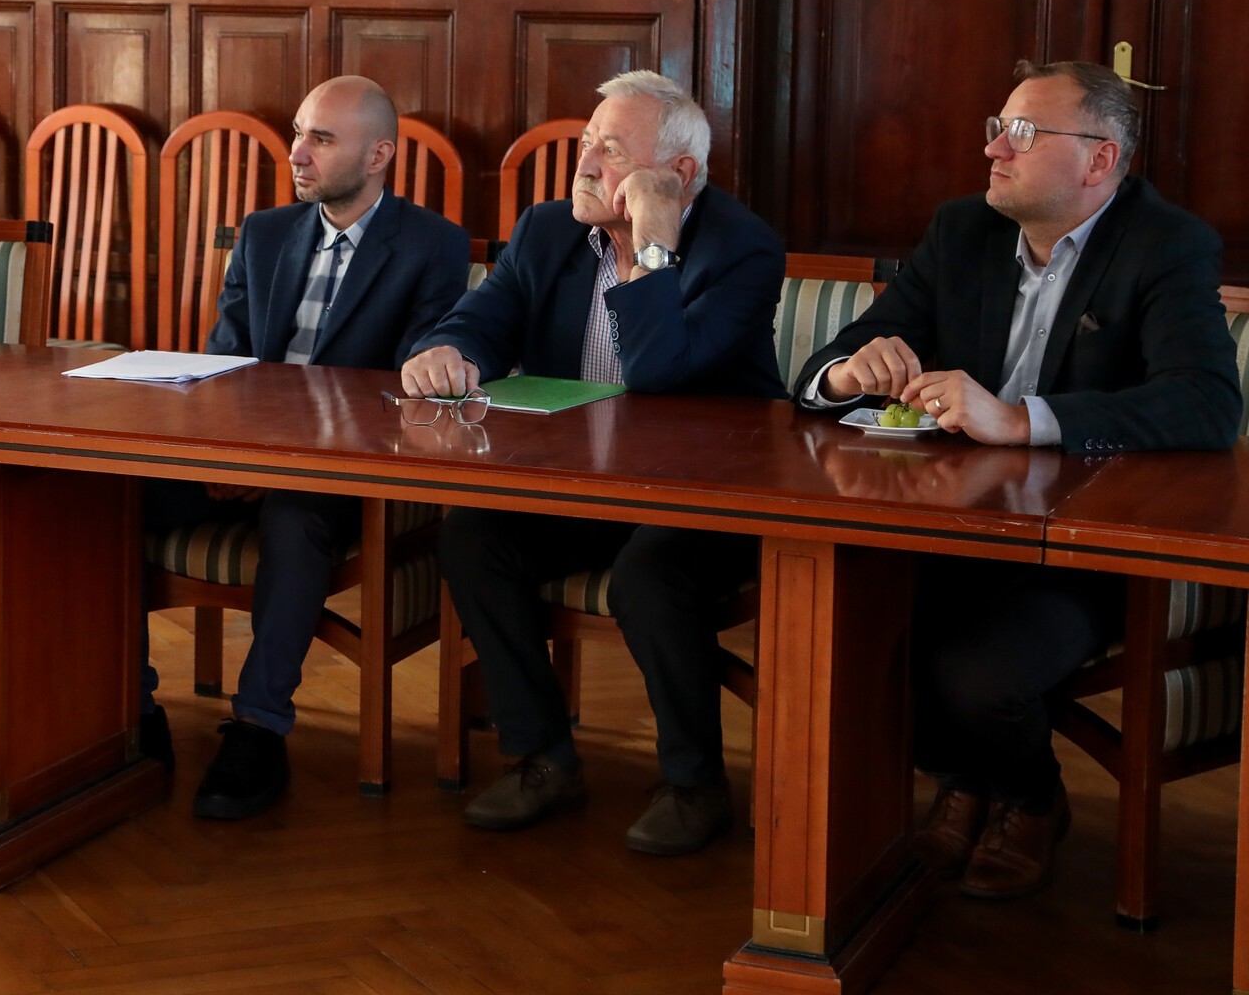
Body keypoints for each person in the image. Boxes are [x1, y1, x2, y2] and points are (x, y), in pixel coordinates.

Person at [795, 59, 1240, 899]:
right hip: (951, 522)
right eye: (997, 128)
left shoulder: (1164, 243)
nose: (995, 148)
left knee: (977, 674)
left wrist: (1023, 418)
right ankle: (965, 784)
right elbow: (833, 361)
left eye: (1024, 133)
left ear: (1100, 160)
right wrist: (850, 372)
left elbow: (1207, 401)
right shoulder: (962, 230)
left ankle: (1029, 799)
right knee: (854, 629)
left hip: (1083, 545)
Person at [402, 70, 784, 852]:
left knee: (650, 575)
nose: (582, 165)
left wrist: (652, 243)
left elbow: (658, 370)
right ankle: (542, 756)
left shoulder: (741, 247)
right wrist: (447, 349)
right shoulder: (546, 230)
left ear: (678, 174)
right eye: (585, 143)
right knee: (473, 536)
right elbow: (483, 319)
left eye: (610, 150)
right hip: (581, 486)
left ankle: (694, 784)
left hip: (708, 497)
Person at [144, 75, 469, 819]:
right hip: (242, 455)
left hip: (344, 475)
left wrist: (280, 462)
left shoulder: (433, 245)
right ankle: (131, 711)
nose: (296, 153)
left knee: (294, 516)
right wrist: (233, 455)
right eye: (298, 133)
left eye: (320, 139)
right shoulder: (263, 234)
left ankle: (258, 729)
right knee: (107, 494)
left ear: (379, 154)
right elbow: (225, 365)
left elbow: (404, 394)